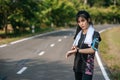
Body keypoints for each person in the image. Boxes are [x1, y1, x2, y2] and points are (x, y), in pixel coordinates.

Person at [66, 10, 101, 80]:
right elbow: (76, 51)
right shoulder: (78, 35)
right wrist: (73, 50)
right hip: (77, 67)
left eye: (83, 20)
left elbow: (93, 49)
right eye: (79, 22)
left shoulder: (95, 34)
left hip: (87, 68)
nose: (81, 24)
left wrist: (77, 50)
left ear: (88, 20)